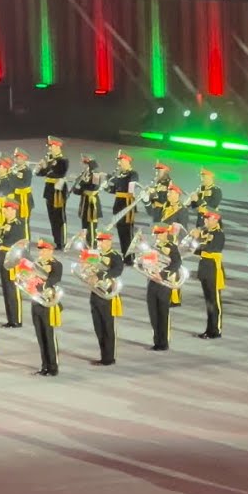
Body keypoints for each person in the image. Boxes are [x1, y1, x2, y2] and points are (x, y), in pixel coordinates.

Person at [88, 232, 125, 365]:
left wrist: (100, 275)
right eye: (98, 241)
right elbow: (89, 268)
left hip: (108, 294)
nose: (99, 243)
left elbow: (118, 270)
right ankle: (103, 356)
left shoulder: (114, 256)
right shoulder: (95, 254)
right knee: (98, 327)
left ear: (109, 242)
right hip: (95, 293)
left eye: (102, 241)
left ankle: (109, 358)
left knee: (108, 327)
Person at [29, 239, 64, 375]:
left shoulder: (56, 265)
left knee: (49, 336)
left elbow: (54, 279)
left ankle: (53, 367)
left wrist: (40, 276)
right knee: (40, 336)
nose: (41, 252)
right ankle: (44, 366)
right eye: (40, 250)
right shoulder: (35, 264)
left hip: (49, 303)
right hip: (36, 302)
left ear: (51, 251)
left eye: (44, 250)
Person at [144, 225, 181, 350]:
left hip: (164, 283)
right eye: (156, 233)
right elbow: (146, 263)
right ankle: (157, 341)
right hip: (152, 282)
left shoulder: (172, 247)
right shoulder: (152, 247)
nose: (157, 236)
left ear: (166, 233)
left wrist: (163, 274)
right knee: (153, 313)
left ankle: (163, 342)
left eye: (160, 233)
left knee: (163, 314)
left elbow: (177, 263)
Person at [193, 211, 227, 339]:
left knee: (215, 301)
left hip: (214, 269)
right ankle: (209, 329)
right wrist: (194, 239)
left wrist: (198, 238)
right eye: (205, 219)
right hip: (205, 269)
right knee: (209, 302)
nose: (205, 221)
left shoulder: (219, 234)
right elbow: (196, 250)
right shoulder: (205, 232)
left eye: (208, 219)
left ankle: (216, 330)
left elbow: (210, 247)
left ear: (216, 220)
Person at [34, 137, 69, 249]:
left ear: (57, 146)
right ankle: (56, 240)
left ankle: (62, 242)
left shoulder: (63, 160)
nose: (49, 148)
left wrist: (46, 167)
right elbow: (42, 174)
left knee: (60, 217)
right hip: (49, 190)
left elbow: (59, 173)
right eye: (49, 146)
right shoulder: (49, 158)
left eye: (51, 146)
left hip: (58, 191)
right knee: (52, 217)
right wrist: (39, 168)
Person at [0, 200, 25, 328]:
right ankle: (10, 318)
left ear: (14, 210)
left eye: (7, 209)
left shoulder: (17, 225)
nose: (4, 211)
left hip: (12, 262)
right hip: (4, 260)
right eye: (4, 209)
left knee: (13, 291)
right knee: (7, 290)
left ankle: (16, 319)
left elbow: (15, 243)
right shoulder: (5, 224)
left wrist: (4, 233)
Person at [104, 151, 139, 258]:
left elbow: (130, 187)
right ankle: (125, 255)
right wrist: (106, 187)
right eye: (119, 162)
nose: (119, 164)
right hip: (118, 205)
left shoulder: (133, 174)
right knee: (121, 232)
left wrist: (113, 179)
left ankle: (130, 257)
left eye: (121, 161)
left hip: (127, 205)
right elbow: (115, 190)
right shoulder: (120, 175)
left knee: (128, 233)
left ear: (127, 161)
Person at [72, 155, 102, 247]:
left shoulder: (95, 173)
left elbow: (94, 187)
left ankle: (92, 245)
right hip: (85, 201)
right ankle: (86, 244)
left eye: (85, 163)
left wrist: (83, 183)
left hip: (92, 203)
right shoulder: (86, 173)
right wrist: (76, 190)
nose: (83, 165)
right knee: (84, 224)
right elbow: (83, 189)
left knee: (91, 226)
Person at [10, 148, 35, 241]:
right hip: (15, 200)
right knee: (15, 222)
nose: (16, 160)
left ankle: (26, 241)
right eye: (15, 158)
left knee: (24, 223)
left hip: (24, 200)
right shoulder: (13, 169)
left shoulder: (27, 171)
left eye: (19, 158)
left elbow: (23, 184)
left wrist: (12, 176)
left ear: (24, 159)